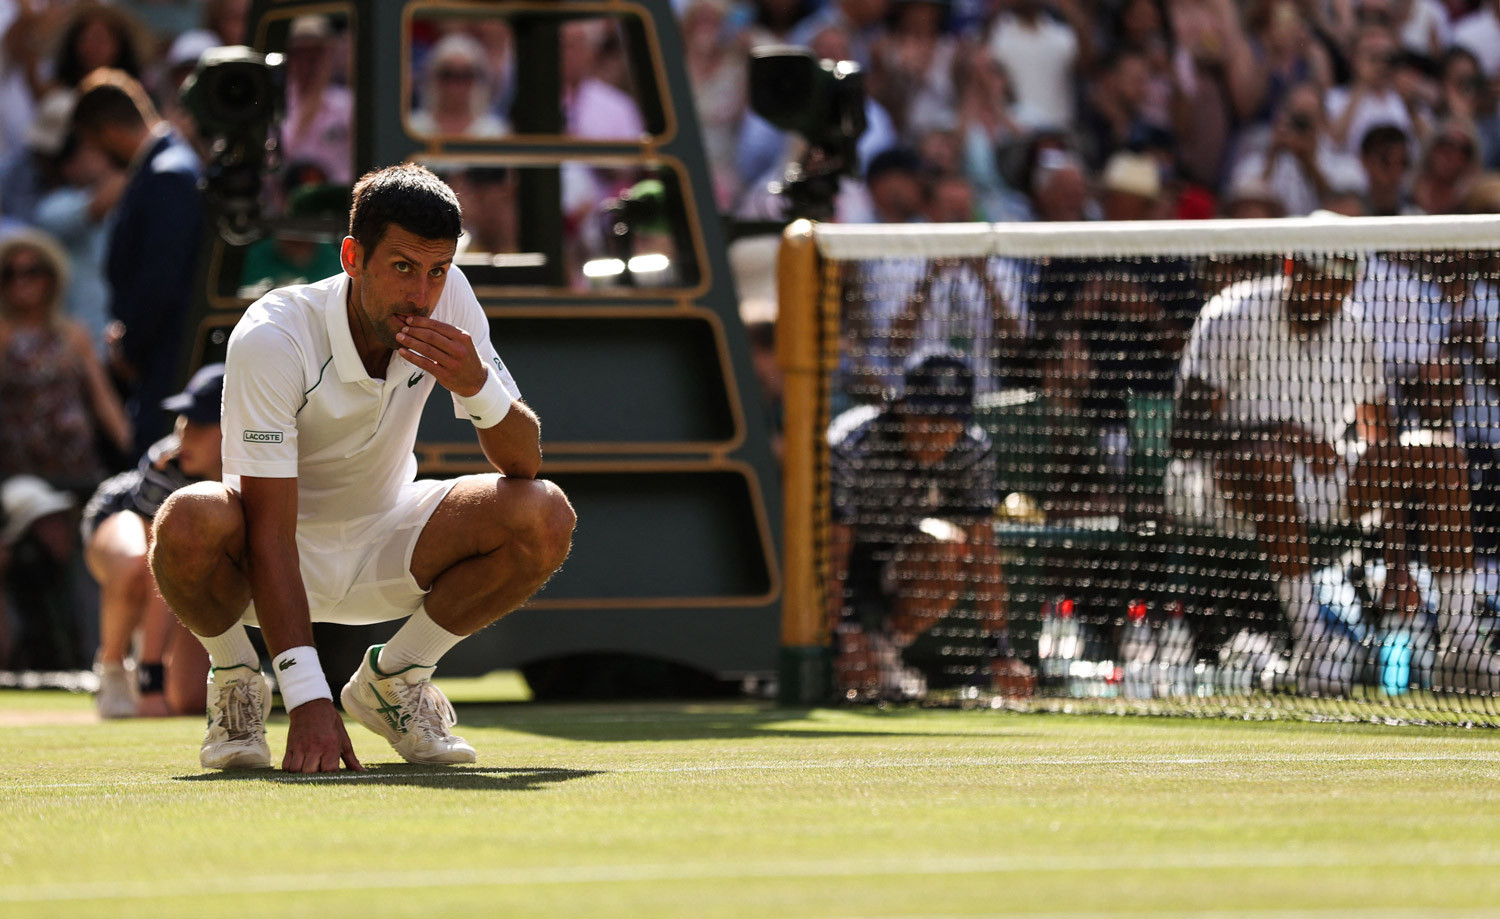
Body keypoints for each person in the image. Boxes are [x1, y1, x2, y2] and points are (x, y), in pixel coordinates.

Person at [148, 164, 575, 773]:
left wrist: (477, 387)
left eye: (437, 270)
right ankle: (238, 677)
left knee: (544, 514)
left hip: (387, 541)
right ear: (351, 256)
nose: (423, 293)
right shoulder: (274, 336)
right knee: (189, 519)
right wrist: (307, 698)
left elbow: (524, 460)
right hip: (267, 555)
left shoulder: (450, 299)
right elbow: (268, 532)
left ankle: (396, 679)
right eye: (402, 267)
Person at [1167, 249, 1487, 693]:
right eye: (1318, 282)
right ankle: (1313, 645)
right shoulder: (1233, 313)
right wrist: (1277, 433)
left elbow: (1385, 448)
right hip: (1215, 486)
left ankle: (1463, 647)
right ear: (1292, 269)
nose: (1326, 297)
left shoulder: (1354, 329)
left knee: (1440, 456)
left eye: (1338, 287)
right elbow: (1184, 437)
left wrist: (1395, 562)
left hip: (1318, 481)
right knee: (1269, 459)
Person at [827, 351, 1032, 699]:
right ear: (903, 404)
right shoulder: (852, 444)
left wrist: (1001, 652)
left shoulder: (973, 450)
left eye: (950, 421)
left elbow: (984, 549)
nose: (938, 433)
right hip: (830, 567)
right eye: (927, 417)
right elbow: (831, 551)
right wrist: (839, 635)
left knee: (949, 544)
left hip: (897, 563)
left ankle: (882, 654)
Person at [69, 68, 203, 461]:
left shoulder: (167, 175)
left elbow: (162, 283)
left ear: (108, 132)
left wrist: (129, 346)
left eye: (93, 143)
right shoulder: (167, 166)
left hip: (168, 366)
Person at [85, 365, 222, 719]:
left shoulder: (265, 467)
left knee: (188, 700)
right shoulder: (166, 464)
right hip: (119, 516)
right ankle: (113, 668)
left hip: (192, 574)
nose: (185, 433)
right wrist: (151, 683)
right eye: (184, 419)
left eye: (202, 423)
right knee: (135, 564)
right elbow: (156, 570)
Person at [0, 229, 130, 490]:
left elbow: (102, 398)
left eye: (32, 272)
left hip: (75, 465)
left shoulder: (73, 333)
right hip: (20, 473)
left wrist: (134, 449)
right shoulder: (3, 334)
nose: (21, 282)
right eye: (10, 274)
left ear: (51, 277)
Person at [409, 31, 507, 139]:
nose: (455, 85)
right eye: (448, 74)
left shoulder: (494, 131)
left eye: (465, 75)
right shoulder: (414, 127)